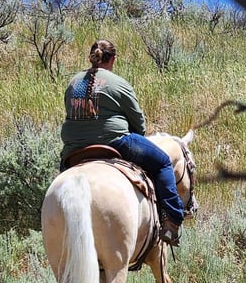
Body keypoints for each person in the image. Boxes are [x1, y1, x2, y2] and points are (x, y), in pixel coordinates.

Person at [60, 39, 184, 245]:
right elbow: (139, 123)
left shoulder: (73, 82)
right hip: (114, 142)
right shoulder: (118, 83)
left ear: (91, 57)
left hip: (74, 149)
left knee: (64, 176)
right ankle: (172, 220)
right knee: (162, 161)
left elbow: (69, 112)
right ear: (113, 59)